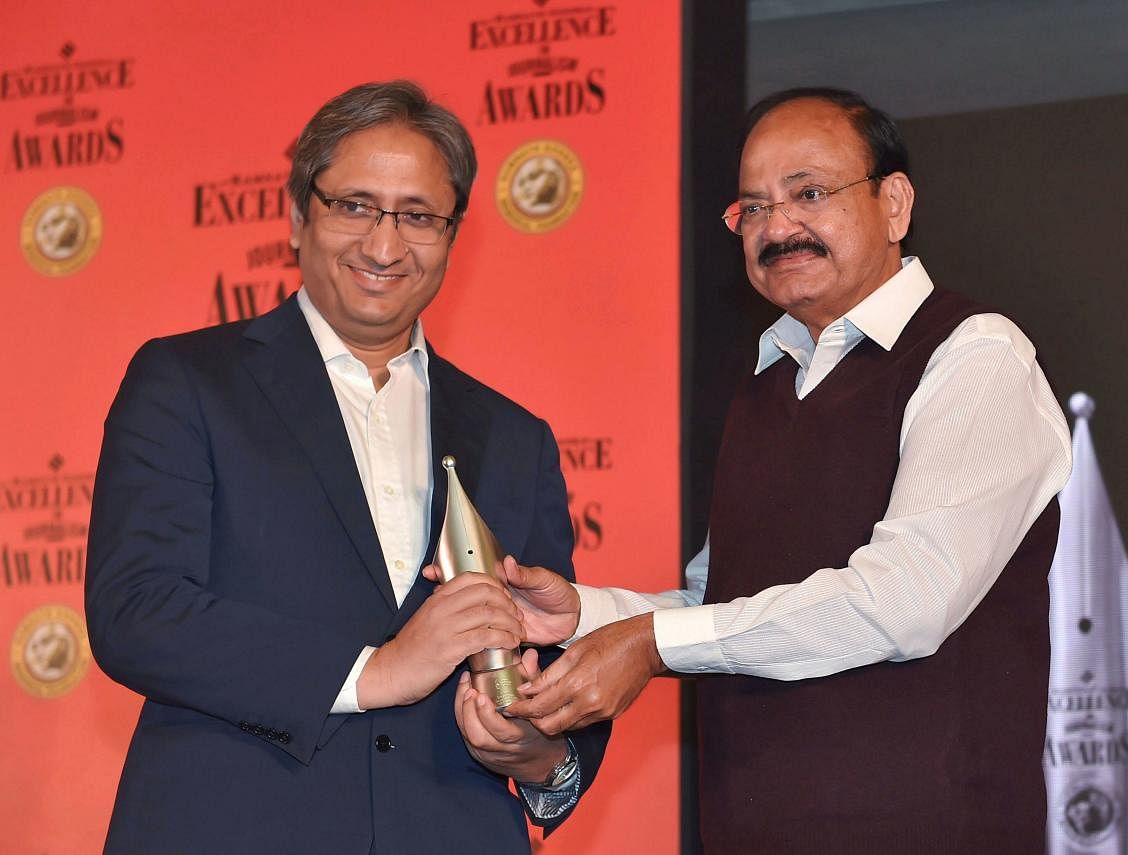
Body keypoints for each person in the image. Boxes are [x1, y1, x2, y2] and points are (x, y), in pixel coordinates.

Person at [501, 88, 1072, 853]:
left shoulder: (975, 354)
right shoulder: (768, 381)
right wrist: (584, 614)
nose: (779, 228)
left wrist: (652, 642)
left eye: (809, 193)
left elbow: (903, 599)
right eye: (754, 209)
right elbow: (723, 598)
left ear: (895, 204)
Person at [85, 80, 608, 855]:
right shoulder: (188, 381)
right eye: (355, 205)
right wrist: (376, 671)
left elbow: (557, 660)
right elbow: (137, 611)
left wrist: (540, 755)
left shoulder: (514, 435)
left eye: (418, 216)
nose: (385, 245)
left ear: (453, 235)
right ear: (299, 213)